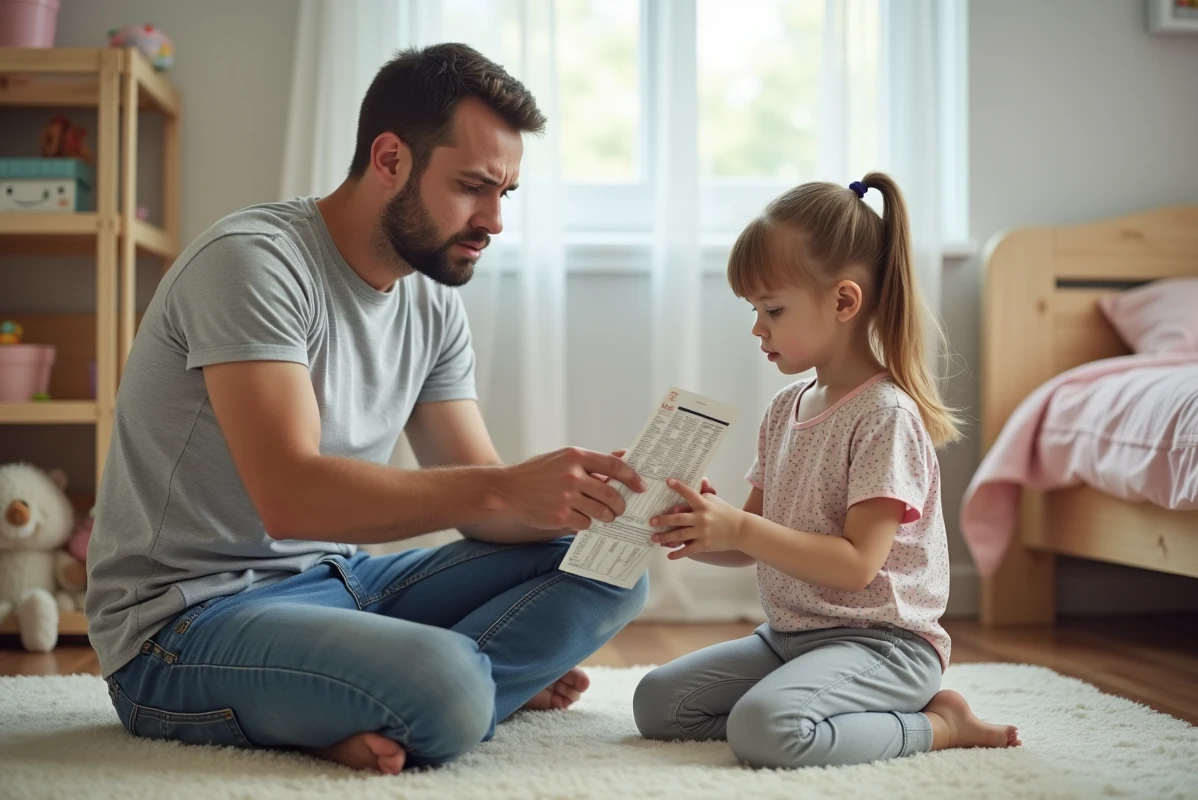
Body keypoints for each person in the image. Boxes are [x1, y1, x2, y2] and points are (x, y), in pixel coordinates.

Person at [86, 43, 649, 775]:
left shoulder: (431, 303)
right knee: (446, 683)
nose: (494, 220)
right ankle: (430, 690)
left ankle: (375, 696)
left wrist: (600, 501)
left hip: (345, 586)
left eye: (505, 192)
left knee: (612, 565)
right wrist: (506, 485)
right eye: (473, 186)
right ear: (389, 160)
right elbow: (289, 497)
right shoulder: (254, 263)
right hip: (185, 625)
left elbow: (484, 507)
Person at [630, 174, 1020, 768]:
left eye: (772, 309)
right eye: (754, 310)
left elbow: (857, 564)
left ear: (843, 301)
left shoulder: (885, 416)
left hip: (884, 645)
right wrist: (699, 528)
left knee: (766, 732)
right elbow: (755, 541)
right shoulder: (785, 408)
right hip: (790, 638)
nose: (758, 327)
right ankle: (820, 703)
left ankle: (940, 724)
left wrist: (739, 529)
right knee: (658, 704)